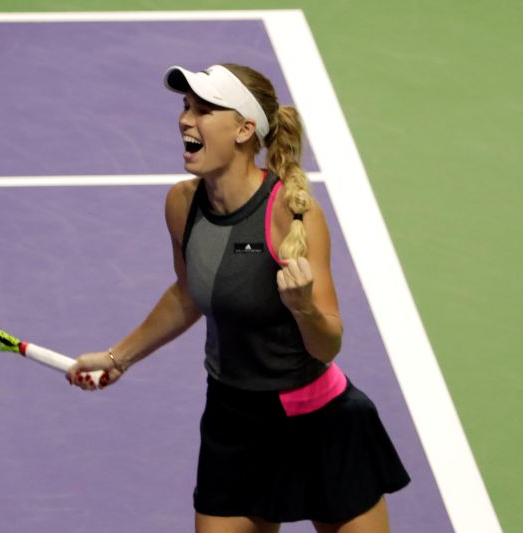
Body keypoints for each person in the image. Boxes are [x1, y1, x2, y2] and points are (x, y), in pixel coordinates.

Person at [66, 63, 410, 533]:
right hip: (234, 422)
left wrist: (304, 308)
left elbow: (328, 345)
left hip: (319, 424)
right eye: (187, 107)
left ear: (245, 130)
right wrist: (118, 357)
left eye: (205, 110)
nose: (187, 119)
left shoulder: (293, 217)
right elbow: (188, 295)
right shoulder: (181, 206)